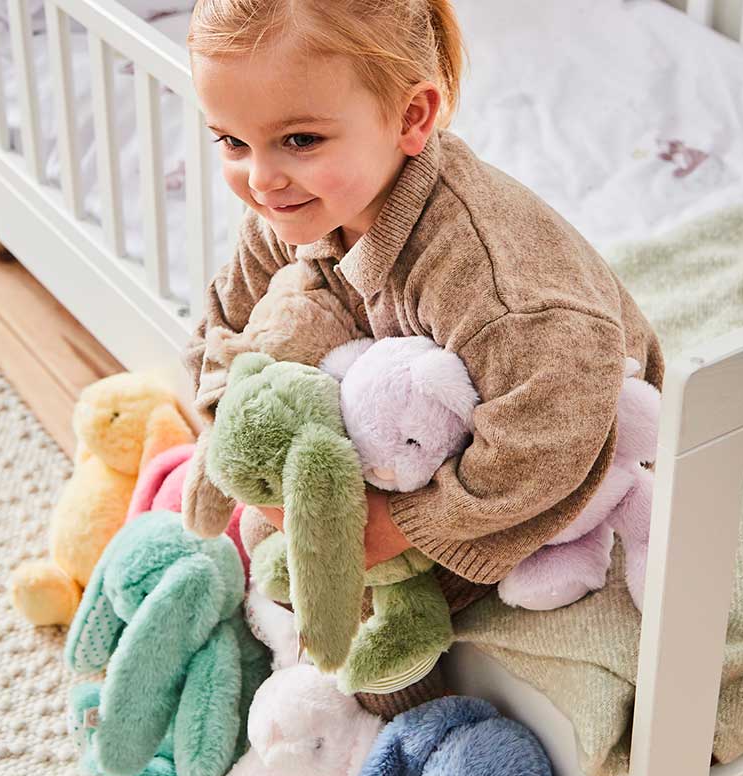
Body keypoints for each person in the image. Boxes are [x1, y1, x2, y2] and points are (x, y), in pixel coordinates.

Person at [183, 0, 664, 714]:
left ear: (412, 118)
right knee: (274, 538)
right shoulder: (293, 210)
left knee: (368, 601)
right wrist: (242, 430)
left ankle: (411, 728)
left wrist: (403, 525)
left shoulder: (486, 270)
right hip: (428, 415)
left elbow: (556, 425)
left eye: (300, 139)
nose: (260, 180)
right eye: (231, 141)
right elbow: (221, 331)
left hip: (566, 451)